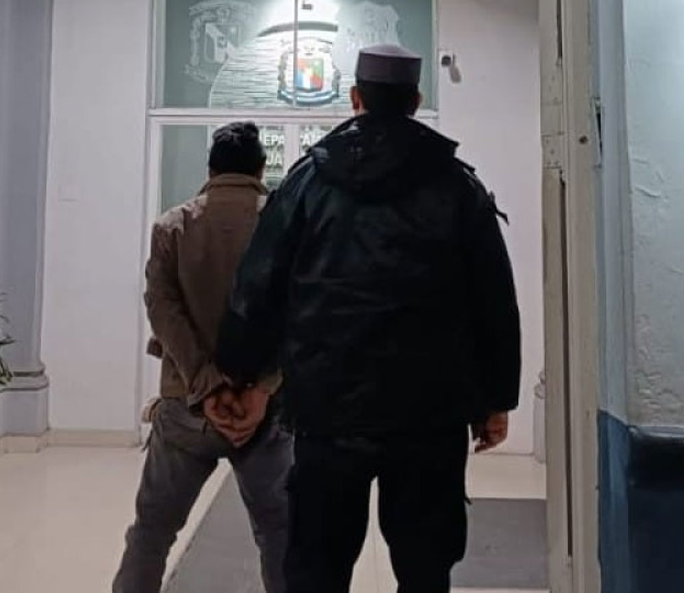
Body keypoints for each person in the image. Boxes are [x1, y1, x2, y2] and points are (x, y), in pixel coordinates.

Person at [215, 45, 522, 593]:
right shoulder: (457, 186)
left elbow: (258, 285)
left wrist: (239, 372)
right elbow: (493, 299)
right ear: (416, 101)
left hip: (326, 412)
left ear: (355, 97)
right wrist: (495, 399)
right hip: (430, 415)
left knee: (317, 569)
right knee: (425, 569)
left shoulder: (307, 183)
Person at [113, 122, 292, 593]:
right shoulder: (286, 226)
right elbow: (299, 312)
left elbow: (162, 309)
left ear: (210, 170)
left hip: (185, 406)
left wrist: (205, 382)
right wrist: (261, 387)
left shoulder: (172, 226)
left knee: (153, 532)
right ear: (261, 169)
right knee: (279, 534)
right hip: (266, 410)